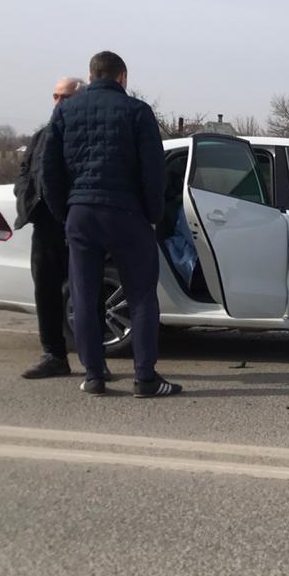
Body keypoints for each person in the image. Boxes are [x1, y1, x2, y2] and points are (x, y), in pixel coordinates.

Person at [41, 50, 180, 397]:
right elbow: (154, 171)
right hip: (127, 212)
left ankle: (93, 375)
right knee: (142, 296)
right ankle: (145, 377)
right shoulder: (137, 112)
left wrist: (65, 212)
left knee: (84, 295)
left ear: (90, 78)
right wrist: (153, 215)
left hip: (81, 213)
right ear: (122, 78)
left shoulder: (65, 112)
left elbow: (50, 171)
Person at [13, 77, 86, 379]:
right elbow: (25, 171)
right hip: (45, 224)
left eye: (65, 97)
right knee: (46, 290)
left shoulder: (85, 135)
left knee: (86, 292)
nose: (58, 102)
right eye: (55, 96)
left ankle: (93, 361)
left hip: (76, 222)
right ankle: (53, 355)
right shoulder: (43, 135)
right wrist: (24, 198)